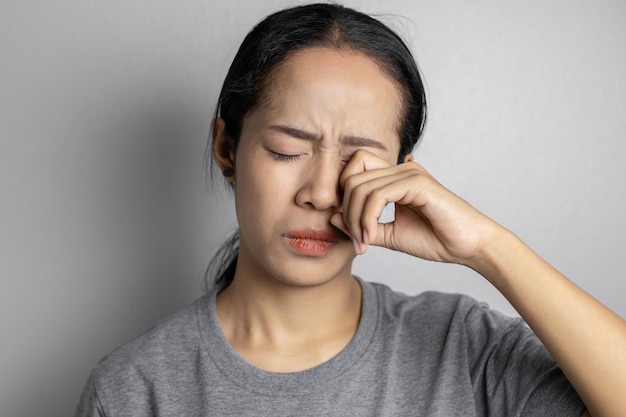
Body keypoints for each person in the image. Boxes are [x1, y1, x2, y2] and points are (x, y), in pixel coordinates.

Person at [74, 3, 626, 416]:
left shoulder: (465, 348)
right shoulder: (134, 389)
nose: (321, 192)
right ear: (227, 149)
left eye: (360, 161)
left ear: (402, 173)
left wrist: (487, 247)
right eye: (287, 151)